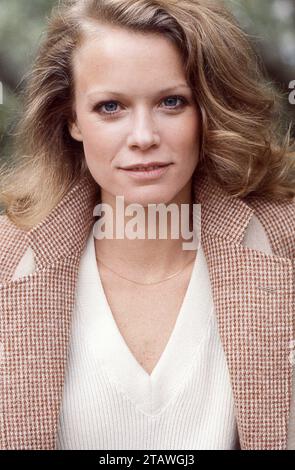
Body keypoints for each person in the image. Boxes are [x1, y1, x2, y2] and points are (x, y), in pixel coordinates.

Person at [0, 0, 294, 451]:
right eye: (111, 106)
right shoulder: (8, 261)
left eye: (171, 102)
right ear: (72, 118)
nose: (143, 136)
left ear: (207, 111)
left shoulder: (284, 245)